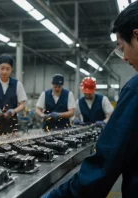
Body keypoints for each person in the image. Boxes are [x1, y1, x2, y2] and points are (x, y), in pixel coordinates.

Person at [43, 2, 138, 197]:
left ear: (136, 36)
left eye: (121, 47)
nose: (123, 57)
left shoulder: (134, 90)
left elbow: (104, 166)